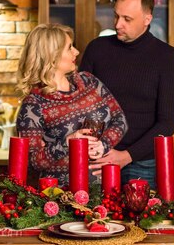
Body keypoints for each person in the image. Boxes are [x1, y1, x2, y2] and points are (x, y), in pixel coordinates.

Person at [80, 0, 174, 188]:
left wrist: (126, 156)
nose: (118, 24)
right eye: (116, 16)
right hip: (98, 159)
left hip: (143, 163)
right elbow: (82, 107)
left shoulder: (167, 58)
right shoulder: (97, 49)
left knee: (139, 220)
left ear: (147, 19)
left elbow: (167, 124)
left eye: (127, 19)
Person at [16, 23, 127, 186]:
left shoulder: (88, 81)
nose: (76, 52)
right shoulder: (33, 105)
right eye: (69, 48)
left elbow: (119, 119)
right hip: (61, 199)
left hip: (105, 189)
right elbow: (31, 162)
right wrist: (68, 142)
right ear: (51, 56)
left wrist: (103, 145)